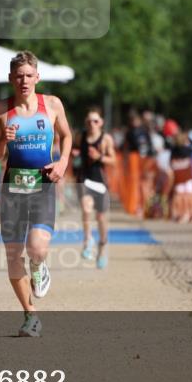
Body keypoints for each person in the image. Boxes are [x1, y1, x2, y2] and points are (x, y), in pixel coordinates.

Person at [0, 51, 72, 338]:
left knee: (36, 247)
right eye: (19, 75)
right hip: (13, 186)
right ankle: (30, 314)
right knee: (13, 253)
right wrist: (3, 139)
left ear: (38, 77)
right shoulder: (1, 110)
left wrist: (62, 162)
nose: (24, 80)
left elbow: (67, 135)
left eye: (29, 75)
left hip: (43, 184)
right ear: (11, 78)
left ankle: (39, 265)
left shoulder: (51, 104)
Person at [75, 107, 116, 269]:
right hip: (84, 179)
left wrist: (100, 157)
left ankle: (102, 248)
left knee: (101, 218)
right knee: (86, 209)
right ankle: (88, 240)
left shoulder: (106, 139)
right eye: (89, 121)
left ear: (101, 123)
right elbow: (75, 148)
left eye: (95, 121)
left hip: (99, 181)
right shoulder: (81, 136)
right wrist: (75, 154)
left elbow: (114, 160)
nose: (92, 124)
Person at [169, 132, 192, 223]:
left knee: (181, 196)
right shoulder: (188, 150)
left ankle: (182, 214)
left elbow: (171, 164)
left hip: (180, 177)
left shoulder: (174, 151)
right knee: (190, 195)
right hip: (186, 176)